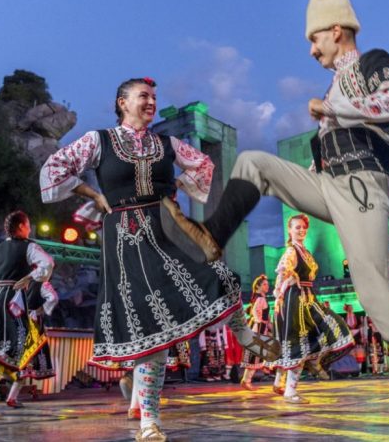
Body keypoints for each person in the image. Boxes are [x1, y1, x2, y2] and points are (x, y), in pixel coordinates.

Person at [159, 0, 389, 440]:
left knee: (376, 295)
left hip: (362, 186)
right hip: (331, 184)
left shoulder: (373, 62)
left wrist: (336, 107)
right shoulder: (333, 84)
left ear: (336, 30)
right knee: (253, 163)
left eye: (314, 38)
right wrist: (306, 168)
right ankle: (212, 236)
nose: (312, 49)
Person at [39, 77, 279, 442]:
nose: (151, 101)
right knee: (151, 330)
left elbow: (203, 165)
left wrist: (176, 186)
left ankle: (244, 335)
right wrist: (93, 194)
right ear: (122, 102)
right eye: (143, 96)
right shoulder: (99, 140)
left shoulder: (166, 144)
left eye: (154, 97)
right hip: (127, 236)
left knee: (222, 276)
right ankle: (149, 420)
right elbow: (53, 169)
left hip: (168, 227)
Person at [0, 211, 54, 420]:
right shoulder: (29, 246)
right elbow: (47, 264)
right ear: (21, 227)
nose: (29, 228)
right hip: (12, 300)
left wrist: (0, 279)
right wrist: (28, 277)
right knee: (7, 348)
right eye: (28, 225)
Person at [270, 214, 353, 404]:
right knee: (299, 342)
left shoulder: (304, 251)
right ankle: (290, 390)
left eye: (303, 227)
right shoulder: (291, 251)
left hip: (307, 298)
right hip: (296, 300)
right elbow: (283, 271)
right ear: (290, 230)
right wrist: (278, 294)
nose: (301, 230)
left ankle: (291, 376)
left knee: (325, 330)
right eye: (297, 227)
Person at [6, 280, 59, 408]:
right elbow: (53, 298)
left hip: (18, 324)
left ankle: (10, 397)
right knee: (26, 361)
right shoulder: (41, 283)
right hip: (32, 325)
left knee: (21, 362)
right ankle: (10, 397)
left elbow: (12, 305)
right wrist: (40, 310)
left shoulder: (19, 282)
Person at [240, 275, 272, 391]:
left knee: (256, 354)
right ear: (258, 286)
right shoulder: (260, 299)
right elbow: (255, 312)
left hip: (259, 327)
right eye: (264, 284)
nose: (267, 286)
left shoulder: (259, 297)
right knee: (255, 354)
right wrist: (261, 324)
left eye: (267, 284)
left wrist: (267, 324)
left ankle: (248, 379)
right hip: (258, 328)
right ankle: (247, 380)